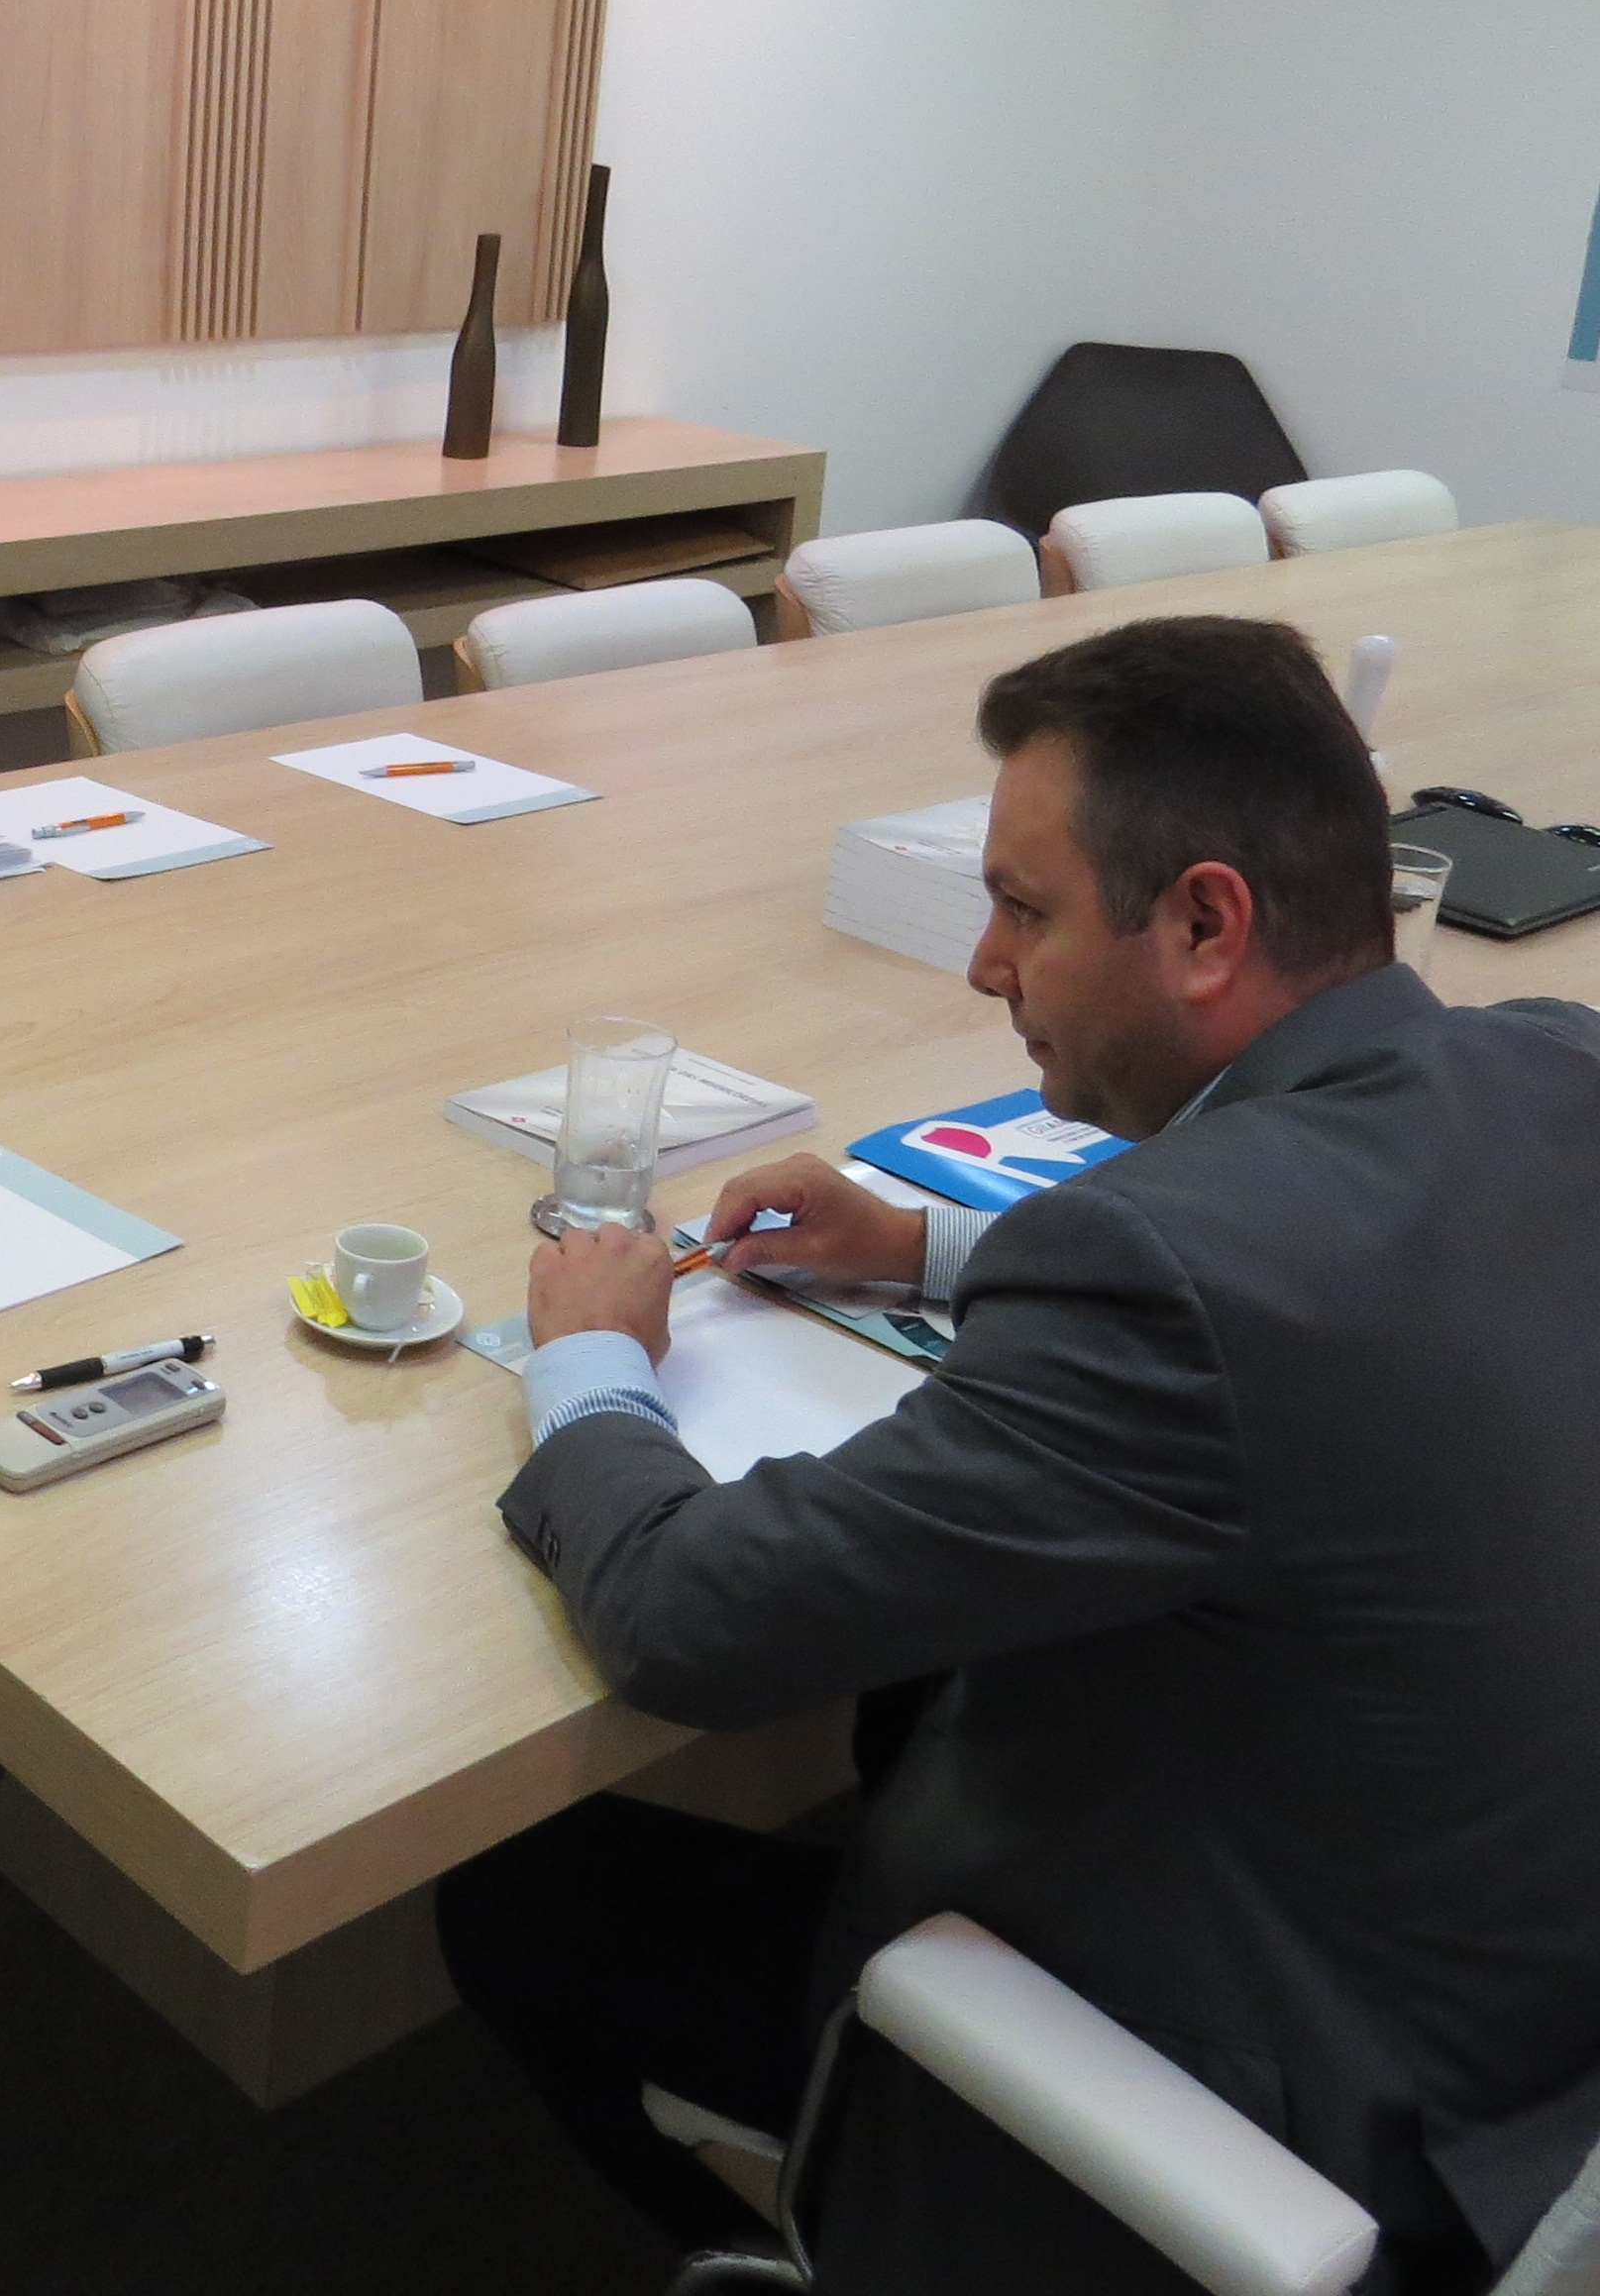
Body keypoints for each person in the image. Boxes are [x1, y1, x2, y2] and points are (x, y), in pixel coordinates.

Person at [438, 616, 1600, 2294]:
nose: (985, 965)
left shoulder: (1166, 1278)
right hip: (1524, 2046)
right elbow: (1324, 1289)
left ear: (1204, 923)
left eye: (1025, 910)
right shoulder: (1554, 1062)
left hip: (1298, 2130)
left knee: (522, 1900)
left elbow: (685, 1621)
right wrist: (922, 1247)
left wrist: (592, 1361)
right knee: (913, 1696)